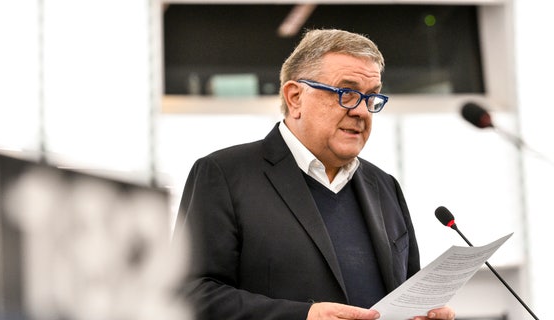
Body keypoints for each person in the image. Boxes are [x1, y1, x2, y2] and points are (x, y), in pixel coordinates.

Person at [172, 28, 456, 320]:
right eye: (347, 93)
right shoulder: (224, 175)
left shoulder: (384, 186)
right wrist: (302, 316)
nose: (362, 112)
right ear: (295, 97)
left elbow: (405, 290)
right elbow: (190, 295)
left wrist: (425, 311)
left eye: (371, 98)